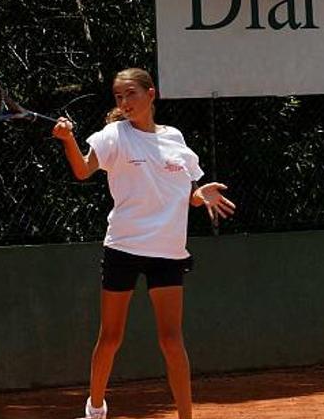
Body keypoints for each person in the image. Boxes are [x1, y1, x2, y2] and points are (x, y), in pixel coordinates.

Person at [53, 68, 235, 419]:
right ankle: (95, 410)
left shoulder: (174, 138)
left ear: (151, 94)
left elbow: (188, 193)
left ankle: (186, 416)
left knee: (171, 341)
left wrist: (202, 194)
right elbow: (83, 170)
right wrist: (68, 140)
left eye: (131, 94)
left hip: (167, 253)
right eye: (119, 97)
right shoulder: (114, 135)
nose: (124, 103)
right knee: (110, 337)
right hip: (123, 247)